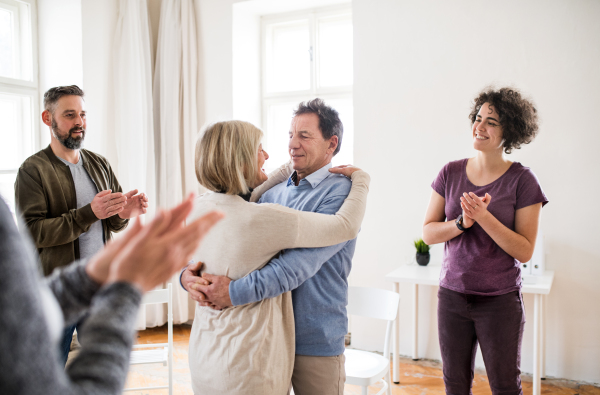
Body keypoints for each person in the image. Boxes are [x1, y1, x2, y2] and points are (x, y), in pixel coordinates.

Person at [180, 119, 369, 394]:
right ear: (240, 160)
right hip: (252, 358)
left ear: (332, 143)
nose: (288, 146)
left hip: (212, 353)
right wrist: (363, 179)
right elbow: (344, 226)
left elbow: (290, 264)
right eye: (291, 135)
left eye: (303, 135)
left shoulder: (197, 208)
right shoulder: (263, 211)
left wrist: (187, 277)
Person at [0, 192, 223, 395]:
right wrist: (126, 291)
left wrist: (90, 276)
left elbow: (19, 310)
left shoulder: (98, 164)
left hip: (90, 290)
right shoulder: (33, 169)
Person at [422, 87, 548, 394]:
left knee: (505, 386)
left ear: (510, 131)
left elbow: (524, 250)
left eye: (491, 122)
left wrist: (484, 216)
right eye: (478, 118)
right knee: (455, 385)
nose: (480, 126)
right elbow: (428, 232)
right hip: (451, 298)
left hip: (500, 302)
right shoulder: (450, 173)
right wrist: (462, 223)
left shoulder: (523, 181)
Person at [14, 85, 149, 365]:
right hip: (57, 293)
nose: (79, 122)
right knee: (50, 371)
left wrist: (125, 213)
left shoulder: (100, 164)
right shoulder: (33, 171)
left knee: (99, 369)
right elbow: (32, 233)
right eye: (69, 115)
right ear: (47, 118)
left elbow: (110, 223)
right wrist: (88, 213)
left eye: (83, 114)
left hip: (100, 289)